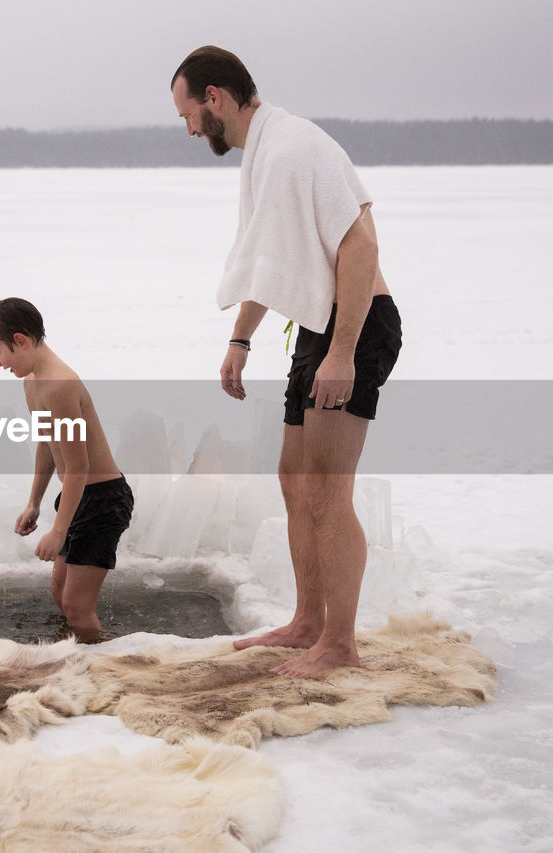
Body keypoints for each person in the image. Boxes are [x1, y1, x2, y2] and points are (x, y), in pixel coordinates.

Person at [171, 46, 403, 677]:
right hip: (317, 328)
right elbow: (276, 263)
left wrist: (343, 353)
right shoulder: (268, 152)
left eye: (187, 113)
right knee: (295, 482)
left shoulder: (293, 148)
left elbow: (361, 241)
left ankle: (341, 644)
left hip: (354, 328)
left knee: (328, 493)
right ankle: (307, 623)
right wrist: (240, 340)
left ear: (214, 98)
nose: (189, 128)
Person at [0, 297, 133, 641]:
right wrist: (34, 502)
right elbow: (49, 445)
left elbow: (79, 466)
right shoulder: (32, 383)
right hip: (78, 497)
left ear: (20, 340)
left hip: (103, 499)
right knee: (59, 589)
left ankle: (100, 669)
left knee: (77, 605)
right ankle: (79, 651)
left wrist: (59, 532)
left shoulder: (60, 385)